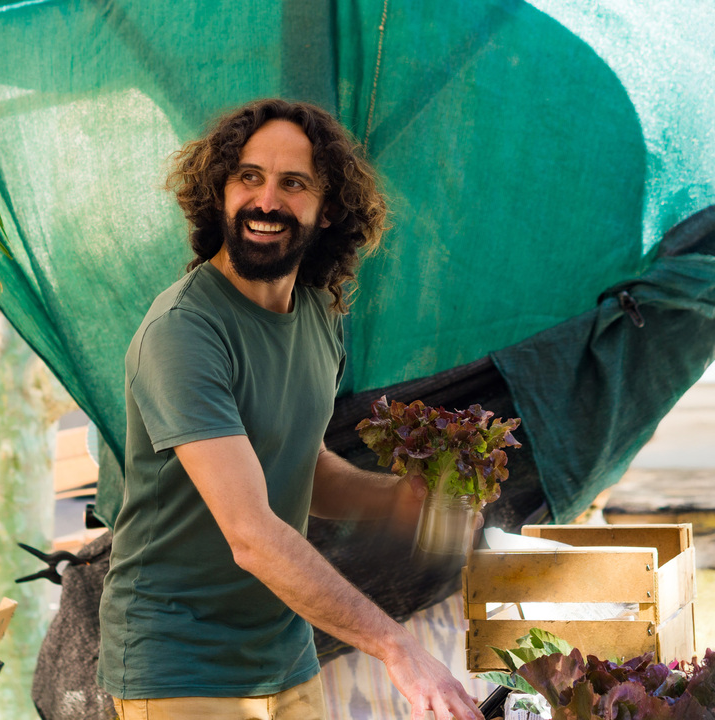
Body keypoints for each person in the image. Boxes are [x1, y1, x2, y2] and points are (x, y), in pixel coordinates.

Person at [97, 98, 483, 720]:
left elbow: (305, 464)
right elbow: (251, 534)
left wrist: (397, 498)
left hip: (284, 655)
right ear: (218, 193)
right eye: (248, 177)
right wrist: (398, 648)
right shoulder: (184, 331)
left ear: (328, 208)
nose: (266, 201)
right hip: (179, 665)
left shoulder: (318, 317)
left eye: (293, 183)